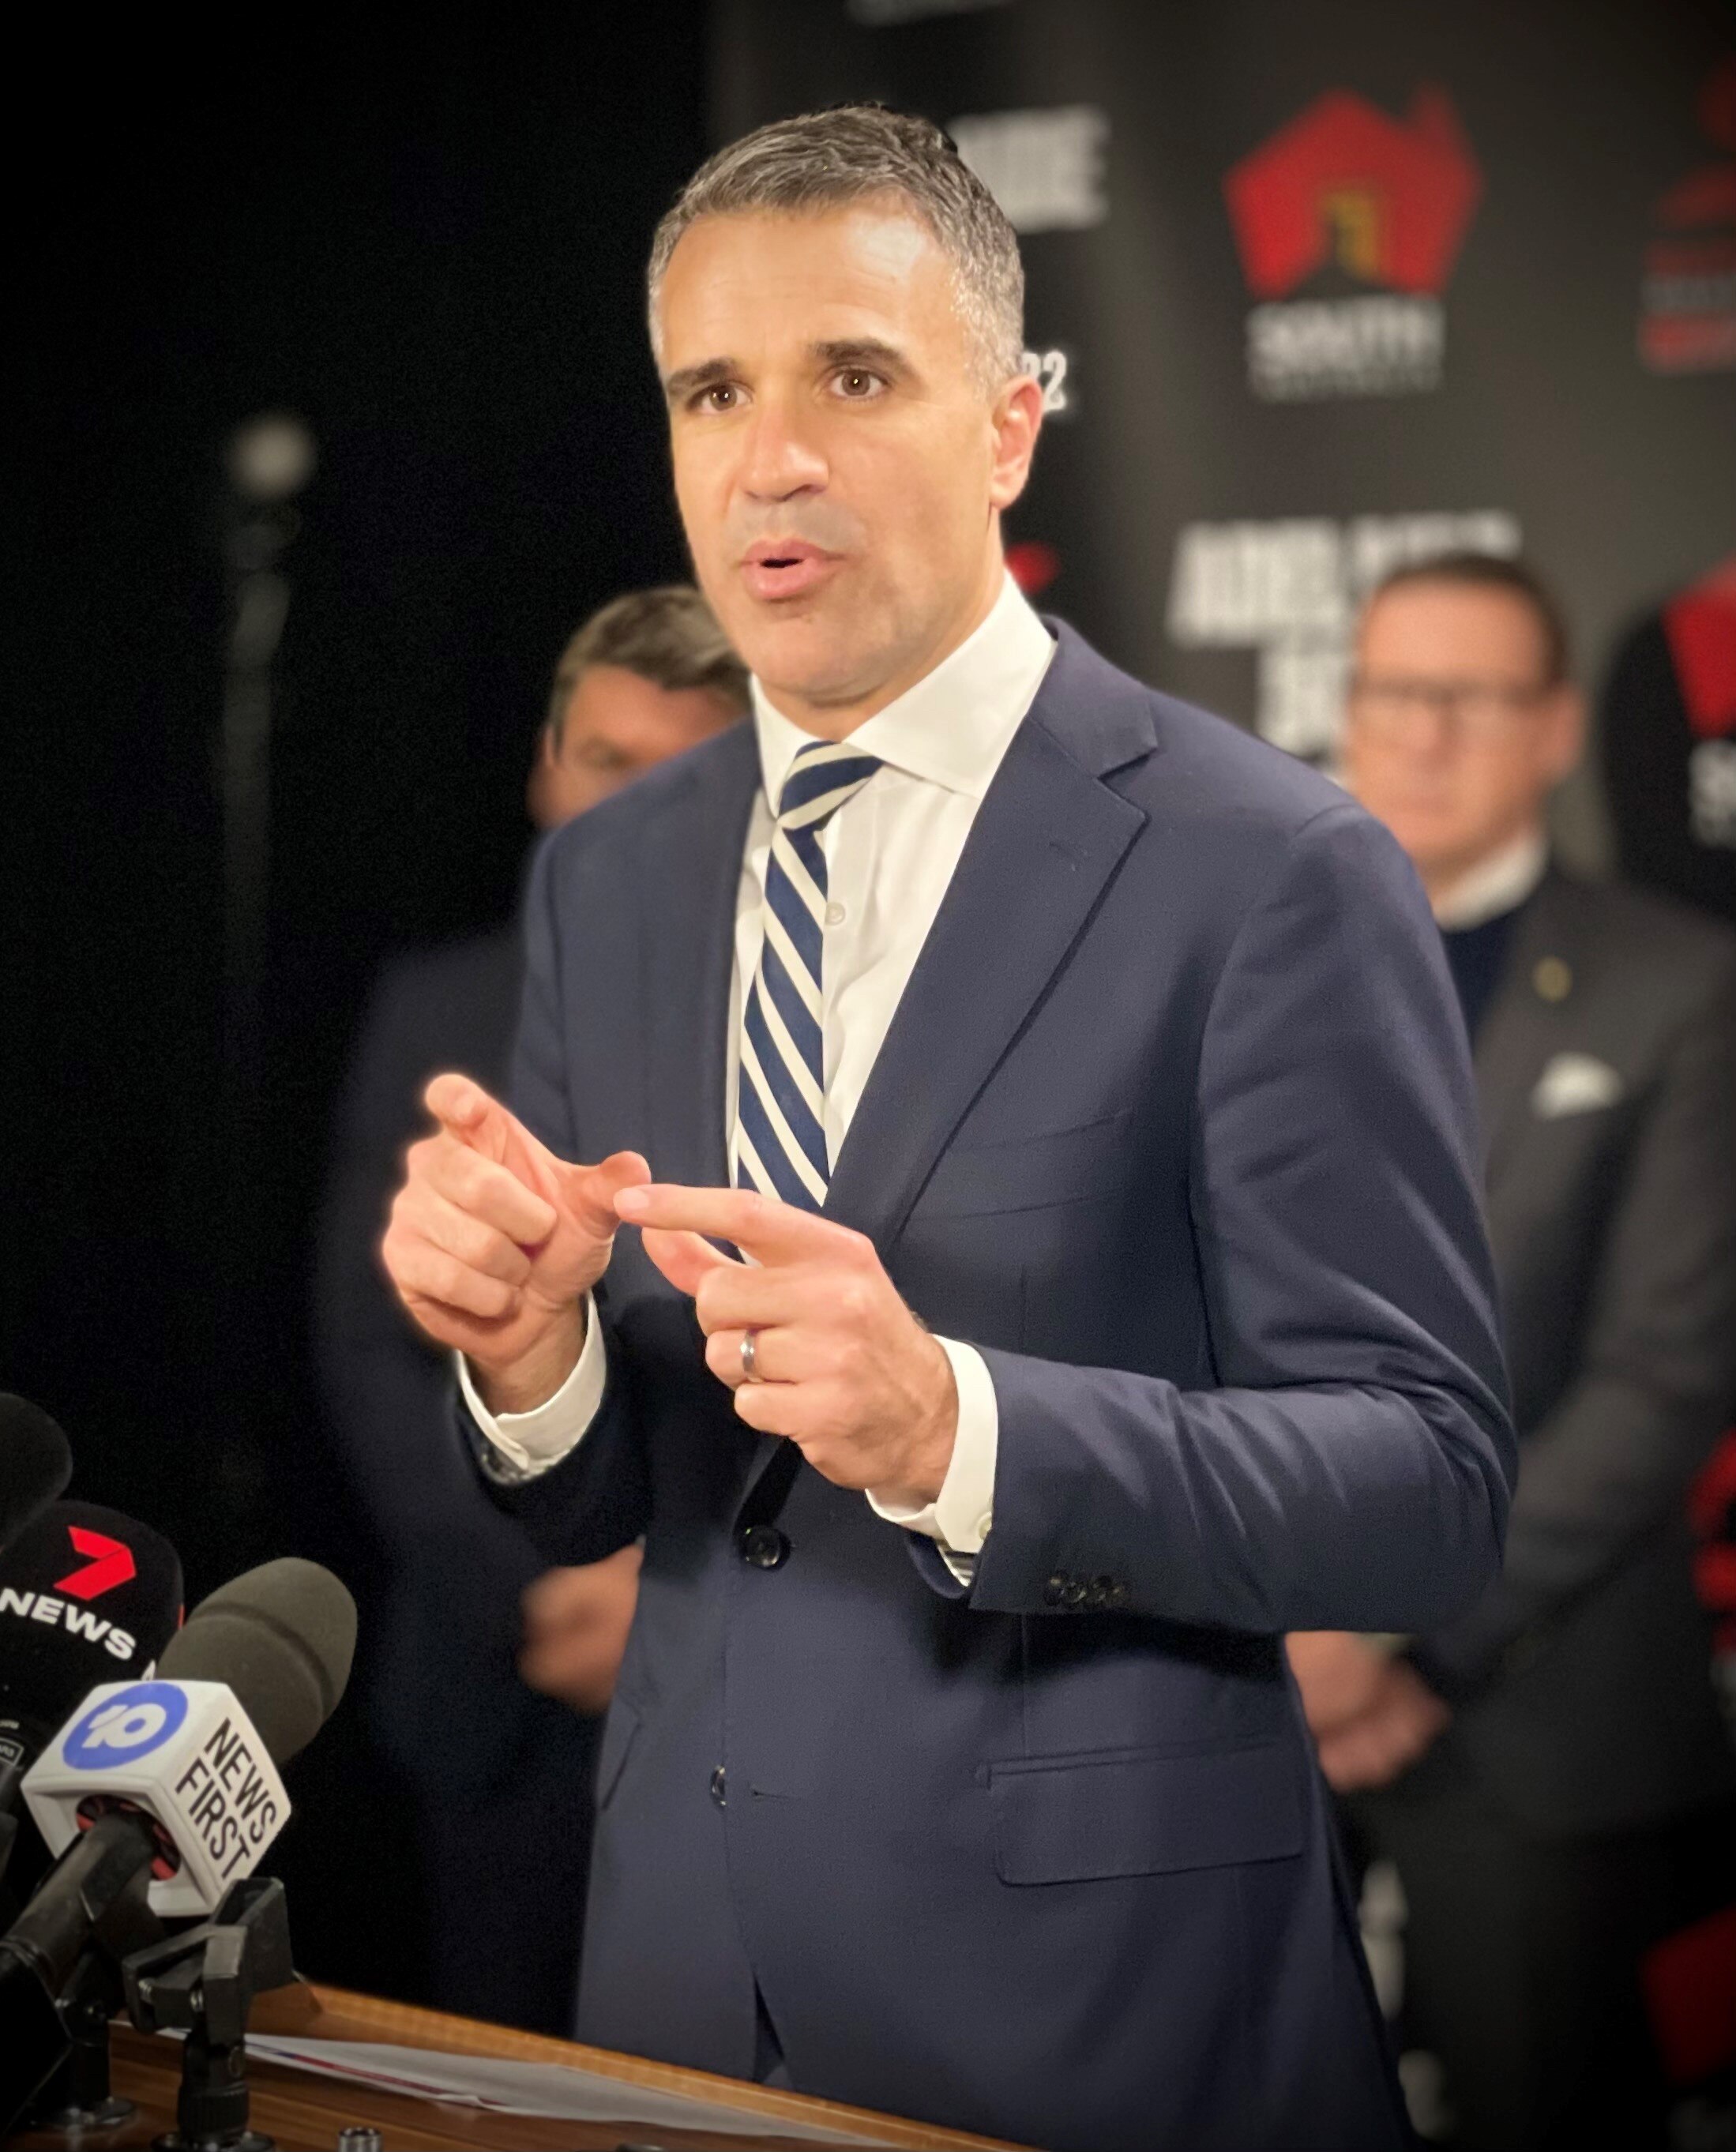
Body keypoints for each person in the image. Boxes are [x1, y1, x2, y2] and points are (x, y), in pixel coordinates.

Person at [380, 107, 1515, 2152]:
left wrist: (953, 1427)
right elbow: (615, 1498)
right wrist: (530, 1355)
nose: (768, 456)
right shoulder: (611, 871)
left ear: (1006, 427)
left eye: (851, 375)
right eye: (710, 389)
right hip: (673, 1986)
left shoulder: (1269, 866)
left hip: (1100, 2017)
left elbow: (1418, 1481)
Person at [1291, 553, 1736, 2152]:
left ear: (1553, 731)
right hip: (1245, 1704)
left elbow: (1667, 1373)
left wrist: (1395, 1629)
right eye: (1390, 692)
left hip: (1537, 1734)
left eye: (1467, 697)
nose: (1420, 734)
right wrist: (1287, 1623)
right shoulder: (1236, 967)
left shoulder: (1677, 991)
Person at [314, 585, 747, 2030]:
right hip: (499, 1683)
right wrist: (541, 1581)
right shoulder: (433, 1007)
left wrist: (665, 1597)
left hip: (743, 1682)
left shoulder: (813, 1013)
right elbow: (372, 1348)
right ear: (548, 765)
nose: (638, 808)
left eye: (685, 773)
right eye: (610, 764)